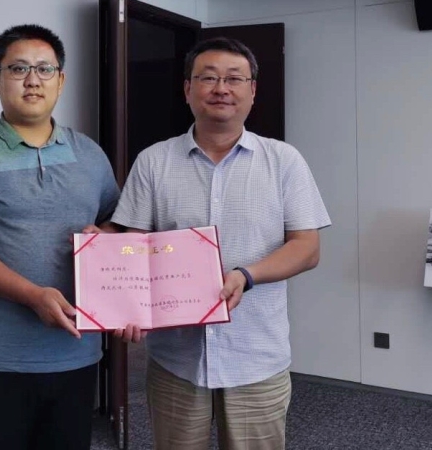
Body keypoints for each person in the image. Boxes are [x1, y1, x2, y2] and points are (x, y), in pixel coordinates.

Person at [111, 36, 331, 450]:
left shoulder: (284, 160)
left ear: (252, 90)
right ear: (187, 89)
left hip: (256, 355)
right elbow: (133, 246)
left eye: (234, 78)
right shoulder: (154, 161)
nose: (221, 89)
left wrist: (246, 275)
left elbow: (307, 247)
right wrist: (123, 301)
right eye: (208, 78)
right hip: (176, 358)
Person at [0, 24, 121, 450]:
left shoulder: (90, 154)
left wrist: (103, 236)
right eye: (18, 69)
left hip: (76, 352)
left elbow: (116, 223)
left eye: (44, 69)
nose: (33, 80)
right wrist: (33, 295)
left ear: (61, 80)